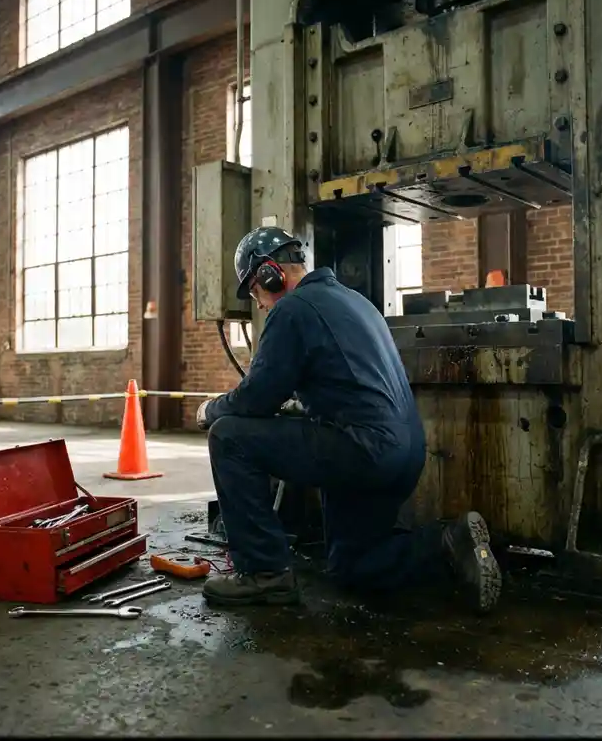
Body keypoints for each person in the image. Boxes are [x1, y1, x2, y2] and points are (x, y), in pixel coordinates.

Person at [195, 225, 502, 611]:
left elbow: (256, 398)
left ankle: (264, 574)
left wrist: (211, 408)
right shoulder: (357, 302)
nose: (259, 304)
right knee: (351, 566)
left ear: (269, 274)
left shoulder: (292, 308)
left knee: (228, 436)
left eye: (255, 291)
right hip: (405, 453)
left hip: (362, 449)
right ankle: (447, 545)